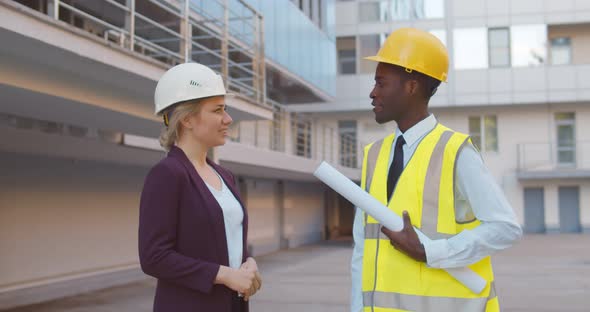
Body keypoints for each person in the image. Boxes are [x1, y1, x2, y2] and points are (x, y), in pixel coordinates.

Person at [350, 28, 522, 312]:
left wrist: (432, 251)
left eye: (381, 83)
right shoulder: (373, 156)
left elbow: (505, 228)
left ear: (411, 86)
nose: (373, 92)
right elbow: (361, 249)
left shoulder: (455, 152)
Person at [139, 62, 262, 312]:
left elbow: (227, 239)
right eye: (218, 110)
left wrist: (248, 263)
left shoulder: (225, 175)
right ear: (187, 119)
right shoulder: (167, 174)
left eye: (225, 109)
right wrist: (224, 275)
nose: (228, 119)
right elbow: (154, 258)